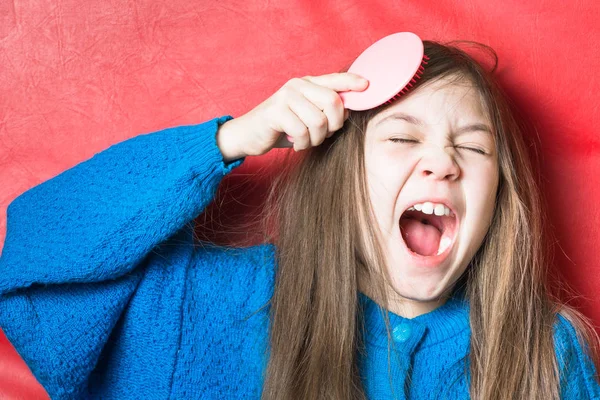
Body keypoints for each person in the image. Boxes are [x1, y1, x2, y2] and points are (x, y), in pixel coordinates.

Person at [0, 40, 599, 400]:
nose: (442, 162)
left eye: (473, 148)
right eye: (402, 136)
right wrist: (227, 142)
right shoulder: (206, 304)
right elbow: (32, 271)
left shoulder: (544, 349)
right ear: (343, 177)